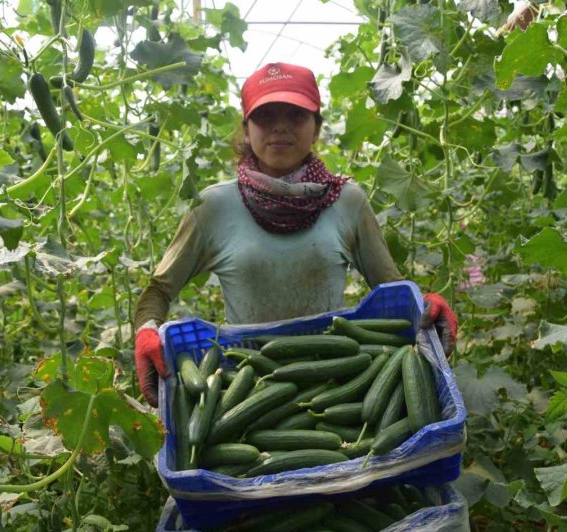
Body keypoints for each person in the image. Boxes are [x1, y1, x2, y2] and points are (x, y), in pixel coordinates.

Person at [134, 62, 458, 406]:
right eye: (265, 116)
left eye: (296, 115)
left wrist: (426, 305)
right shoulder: (213, 207)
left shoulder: (348, 202)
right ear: (246, 130)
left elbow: (392, 291)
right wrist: (147, 331)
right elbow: (159, 290)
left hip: (334, 385)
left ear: (316, 128)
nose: (280, 127)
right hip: (246, 388)